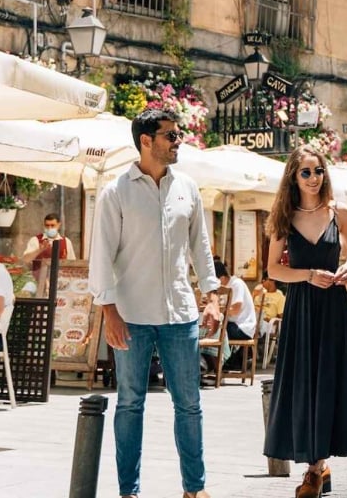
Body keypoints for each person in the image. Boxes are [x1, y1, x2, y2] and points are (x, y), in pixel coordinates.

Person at [90, 106, 219, 498]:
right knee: (130, 404)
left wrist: (211, 295)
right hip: (131, 316)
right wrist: (108, 310)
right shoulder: (116, 192)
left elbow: (201, 245)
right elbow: (102, 255)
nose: (178, 141)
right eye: (171, 135)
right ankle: (129, 492)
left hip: (180, 314)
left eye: (178, 135)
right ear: (146, 141)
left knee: (190, 405)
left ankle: (194, 490)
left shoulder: (188, 188)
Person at [262, 146, 347, 498]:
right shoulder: (284, 218)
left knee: (330, 383)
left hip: (335, 309)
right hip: (302, 310)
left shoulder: (341, 213)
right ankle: (317, 467)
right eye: (305, 172)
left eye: (318, 170)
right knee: (305, 384)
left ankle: (313, 471)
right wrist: (307, 275)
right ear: (293, 176)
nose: (313, 178)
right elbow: (273, 269)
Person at [200, 257, 257, 371]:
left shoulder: (236, 284)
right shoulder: (228, 286)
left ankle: (216, 364)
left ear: (221, 278)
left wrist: (218, 310)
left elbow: (236, 308)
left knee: (215, 329)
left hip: (242, 327)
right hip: (233, 324)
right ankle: (212, 363)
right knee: (210, 328)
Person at [21, 212, 75, 294]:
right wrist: (39, 250)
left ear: (59, 225)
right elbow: (25, 260)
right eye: (47, 225)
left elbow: (72, 264)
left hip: (61, 285)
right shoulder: (35, 240)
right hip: (39, 283)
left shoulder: (66, 242)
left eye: (52, 225)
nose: (49, 228)